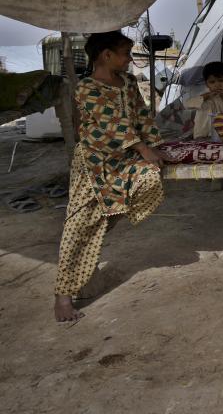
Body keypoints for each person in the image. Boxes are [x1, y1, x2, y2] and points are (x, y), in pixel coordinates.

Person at [54, 31, 167, 322]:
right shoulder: (86, 89)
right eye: (126, 53)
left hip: (124, 160)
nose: (130, 59)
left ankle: (106, 217)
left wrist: (154, 147)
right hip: (93, 165)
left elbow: (141, 115)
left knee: (151, 179)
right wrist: (142, 148)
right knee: (78, 225)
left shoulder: (128, 82)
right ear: (106, 55)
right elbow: (111, 125)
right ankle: (63, 297)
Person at [184, 61, 223, 140]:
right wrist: (208, 95)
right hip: (204, 139)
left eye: (221, 81)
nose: (217, 85)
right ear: (207, 84)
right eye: (212, 82)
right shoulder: (205, 97)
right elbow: (187, 105)